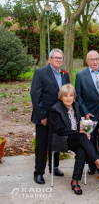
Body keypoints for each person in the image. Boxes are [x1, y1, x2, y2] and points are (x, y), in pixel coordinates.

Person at [49, 84, 99, 195]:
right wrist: (80, 133)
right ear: (61, 97)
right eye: (66, 96)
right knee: (82, 137)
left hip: (76, 138)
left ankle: (75, 182)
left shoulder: (75, 105)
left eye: (71, 95)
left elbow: (78, 121)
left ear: (74, 96)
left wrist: (83, 131)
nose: (69, 98)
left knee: (82, 150)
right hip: (62, 140)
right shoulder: (55, 110)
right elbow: (60, 130)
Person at [30, 48, 69, 184]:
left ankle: (54, 167)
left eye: (61, 58)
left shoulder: (65, 74)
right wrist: (42, 116)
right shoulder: (40, 72)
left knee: (57, 141)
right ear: (50, 59)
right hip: (44, 116)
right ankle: (39, 172)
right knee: (42, 145)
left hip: (59, 116)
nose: (59, 60)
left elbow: (67, 94)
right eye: (56, 57)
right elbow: (35, 95)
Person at [75, 50, 99, 175]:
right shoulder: (81, 75)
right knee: (90, 140)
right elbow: (78, 97)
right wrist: (85, 112)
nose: (95, 61)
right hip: (89, 114)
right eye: (92, 59)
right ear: (87, 61)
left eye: (97, 58)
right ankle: (92, 165)